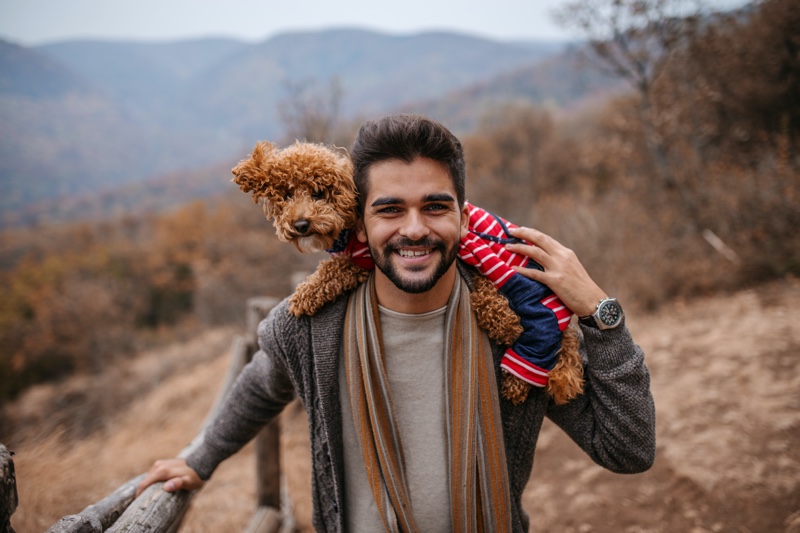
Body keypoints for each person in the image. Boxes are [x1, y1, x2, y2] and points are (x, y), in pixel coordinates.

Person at [137, 114, 655, 532]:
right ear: (359, 216)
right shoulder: (313, 327)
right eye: (389, 209)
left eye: (435, 206)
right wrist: (200, 458)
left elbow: (627, 450)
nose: (414, 230)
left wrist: (599, 314)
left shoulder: (515, 329)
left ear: (463, 214)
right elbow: (261, 385)